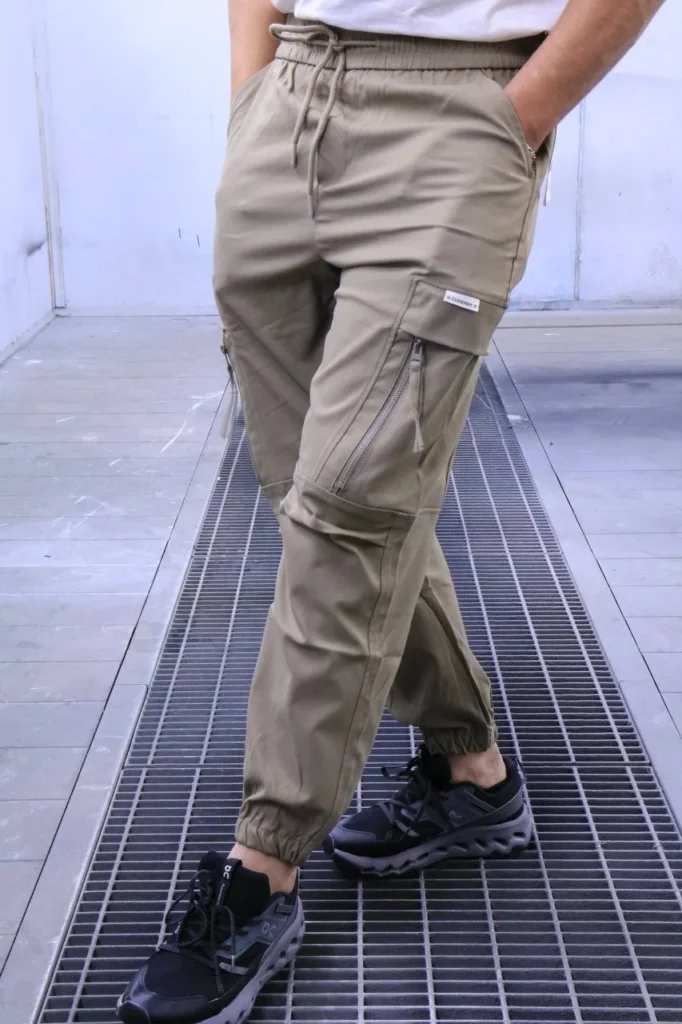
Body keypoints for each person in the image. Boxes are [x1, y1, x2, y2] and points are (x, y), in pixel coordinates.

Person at [118, 1, 664, 1022]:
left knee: (346, 510)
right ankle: (471, 769)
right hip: (287, 103)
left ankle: (262, 866)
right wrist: (253, 100)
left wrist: (513, 121)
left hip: (456, 117)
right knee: (314, 492)